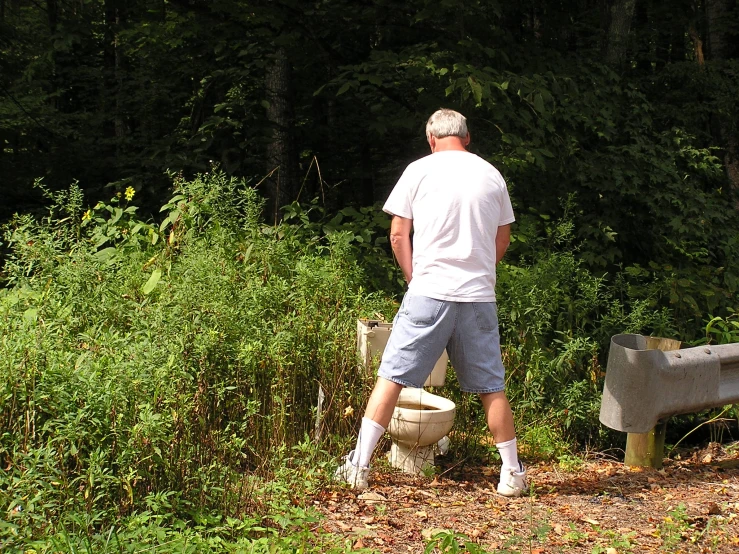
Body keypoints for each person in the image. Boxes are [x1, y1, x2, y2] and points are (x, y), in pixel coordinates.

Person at [335, 108, 527, 497]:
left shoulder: (418, 171)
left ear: (431, 138)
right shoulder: (491, 175)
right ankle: (511, 475)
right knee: (492, 386)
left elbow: (397, 234)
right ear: (467, 137)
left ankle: (358, 466)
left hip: (428, 292)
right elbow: (502, 238)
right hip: (478, 296)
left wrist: (412, 276)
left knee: (390, 378)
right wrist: (479, 270)